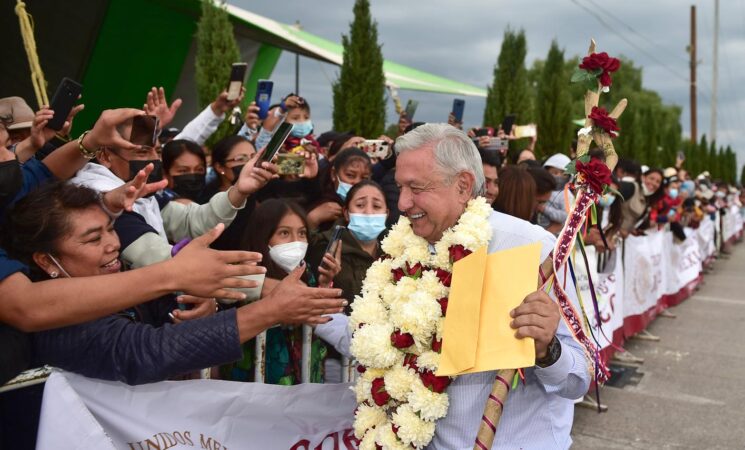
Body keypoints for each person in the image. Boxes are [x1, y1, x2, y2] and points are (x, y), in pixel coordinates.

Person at [316, 123, 591, 449]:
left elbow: (578, 381)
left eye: (416, 188)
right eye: (400, 186)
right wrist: (310, 314)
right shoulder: (401, 252)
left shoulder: (532, 249)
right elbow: (375, 342)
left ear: (463, 186)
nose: (402, 203)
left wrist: (547, 350)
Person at [3, 182, 347, 385]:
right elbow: (147, 350)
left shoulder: (120, 279)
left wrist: (200, 306)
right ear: (46, 261)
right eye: (93, 239)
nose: (112, 244)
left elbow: (166, 311)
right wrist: (269, 310)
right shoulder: (54, 322)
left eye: (111, 229)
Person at [223, 199, 341, 384]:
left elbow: (318, 321)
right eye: (284, 233)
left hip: (304, 380)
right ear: (263, 236)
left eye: (302, 233)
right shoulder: (245, 272)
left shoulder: (306, 271)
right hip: (256, 385)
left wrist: (324, 286)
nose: (296, 241)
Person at [307, 180, 388, 307]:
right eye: (360, 205)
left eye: (376, 206)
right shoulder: (327, 249)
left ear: (386, 214)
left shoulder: (396, 251)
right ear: (346, 213)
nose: (368, 212)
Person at [307, 147, 372, 231]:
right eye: (350, 175)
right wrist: (312, 219)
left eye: (364, 178)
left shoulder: (373, 209)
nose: (357, 182)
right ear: (334, 174)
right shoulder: (317, 201)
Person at [539, 153, 572, 232]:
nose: (558, 176)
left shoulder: (567, 195)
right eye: (555, 172)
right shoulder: (540, 189)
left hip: (555, 235)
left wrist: (544, 209)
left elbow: (566, 215)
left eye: (563, 174)